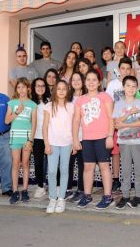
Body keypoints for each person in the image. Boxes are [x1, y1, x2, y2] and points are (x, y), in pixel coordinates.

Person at [73, 69, 115, 209]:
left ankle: (108, 196)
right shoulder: (80, 100)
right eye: (88, 79)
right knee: (88, 167)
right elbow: (76, 121)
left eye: (94, 80)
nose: (91, 82)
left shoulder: (105, 97)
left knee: (104, 166)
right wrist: (75, 139)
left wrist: (110, 136)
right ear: (85, 82)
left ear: (98, 82)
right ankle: (87, 195)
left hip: (103, 137)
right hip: (87, 139)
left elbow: (111, 118)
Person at [113, 76, 140, 209]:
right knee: (126, 170)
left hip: (138, 141)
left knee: (139, 169)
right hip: (123, 142)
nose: (131, 89)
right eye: (128, 86)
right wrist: (129, 114)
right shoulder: (118, 104)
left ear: (137, 88)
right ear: (123, 87)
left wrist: (124, 124)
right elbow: (116, 124)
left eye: (134, 86)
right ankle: (125, 195)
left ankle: (138, 196)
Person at [43, 80, 74, 213]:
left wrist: (74, 142)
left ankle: (61, 198)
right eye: (59, 89)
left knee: (64, 169)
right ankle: (52, 198)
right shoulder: (49, 106)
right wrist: (46, 144)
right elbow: (44, 127)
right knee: (51, 171)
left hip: (67, 143)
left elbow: (74, 126)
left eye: (64, 89)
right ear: (55, 90)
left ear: (67, 91)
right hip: (53, 143)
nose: (61, 91)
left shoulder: (71, 106)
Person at [5, 77, 37, 204]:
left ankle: (24, 190)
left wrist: (31, 140)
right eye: (19, 87)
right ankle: (14, 191)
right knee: (16, 164)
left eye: (23, 87)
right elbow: (7, 121)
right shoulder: (12, 103)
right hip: (15, 137)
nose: (21, 89)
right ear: (16, 89)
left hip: (26, 138)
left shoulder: (33, 105)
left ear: (28, 88)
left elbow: (34, 124)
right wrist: (17, 112)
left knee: (25, 163)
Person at [106, 57, 133, 192]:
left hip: (130, 123)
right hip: (116, 123)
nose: (125, 71)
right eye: (123, 68)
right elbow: (108, 104)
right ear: (119, 69)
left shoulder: (134, 84)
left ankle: (127, 179)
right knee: (116, 153)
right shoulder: (112, 84)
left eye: (128, 68)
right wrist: (113, 121)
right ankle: (116, 179)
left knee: (127, 152)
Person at [66, 72, 87, 203]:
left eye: (78, 79)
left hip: (84, 135)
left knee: (82, 164)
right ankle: (67, 188)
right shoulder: (67, 98)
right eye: (73, 80)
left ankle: (81, 190)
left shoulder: (87, 97)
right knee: (68, 163)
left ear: (83, 81)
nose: (76, 82)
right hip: (69, 135)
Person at [31, 78, 51, 198]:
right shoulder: (30, 102)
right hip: (36, 137)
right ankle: (40, 186)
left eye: (43, 85)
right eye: (37, 86)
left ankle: (52, 186)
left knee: (51, 164)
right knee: (38, 163)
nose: (40, 88)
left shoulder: (50, 101)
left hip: (50, 137)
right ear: (34, 87)